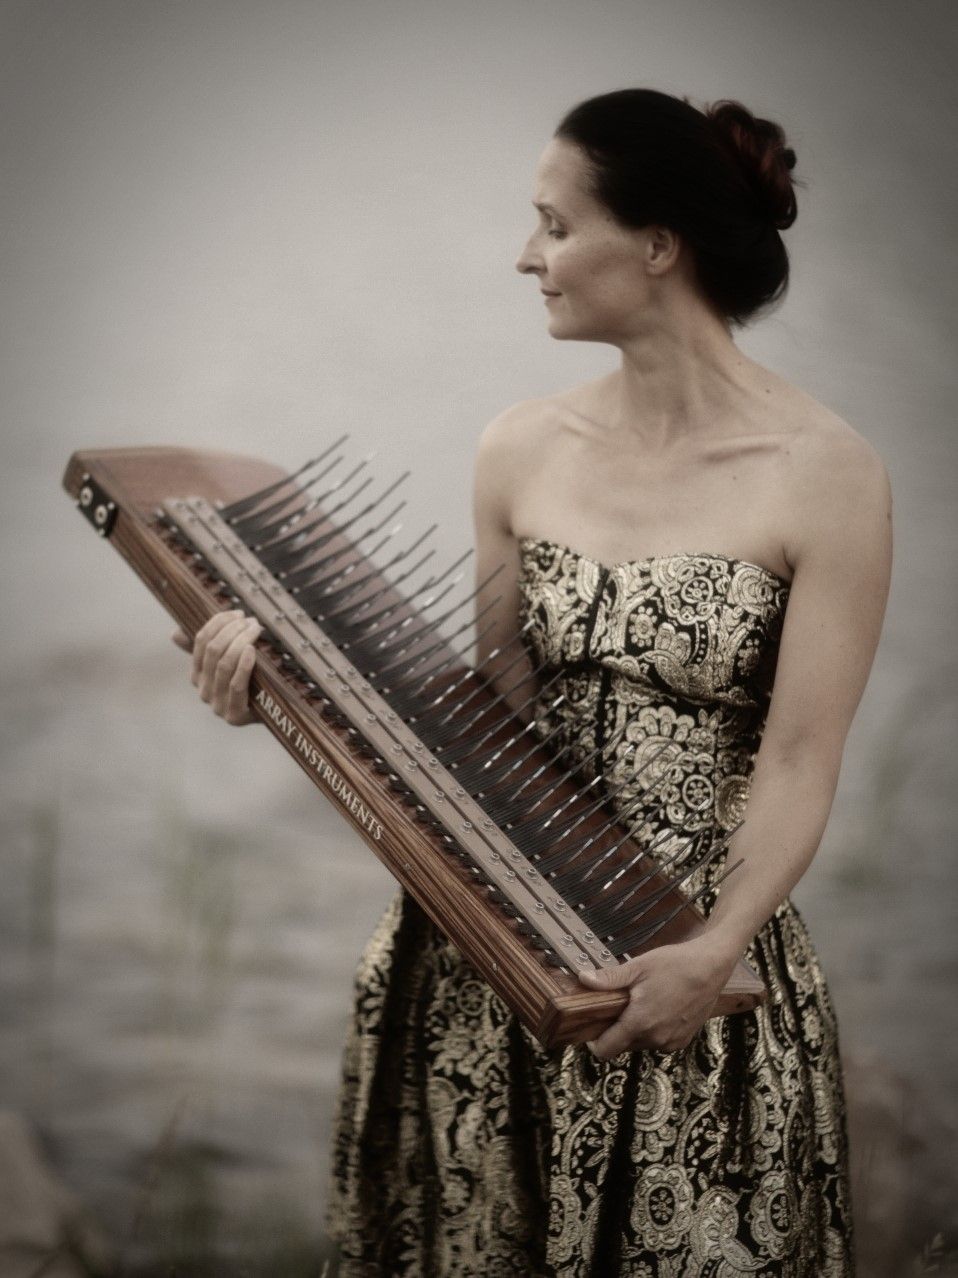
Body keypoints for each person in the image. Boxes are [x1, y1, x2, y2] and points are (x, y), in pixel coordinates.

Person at [178, 88, 892, 1276]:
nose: (527, 256)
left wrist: (711, 950)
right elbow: (488, 727)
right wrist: (278, 699)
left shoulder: (827, 475)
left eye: (555, 226)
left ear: (656, 245)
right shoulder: (519, 447)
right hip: (490, 951)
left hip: (681, 967)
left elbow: (801, 756)